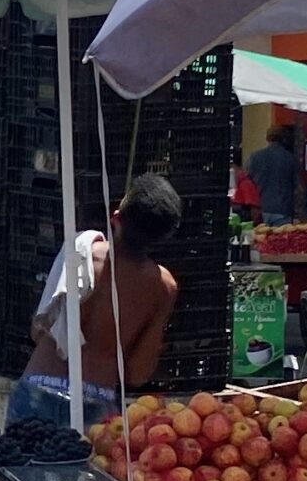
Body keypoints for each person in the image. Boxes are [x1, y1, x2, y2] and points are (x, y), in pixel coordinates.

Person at [10, 174, 185, 428]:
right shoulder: (162, 287)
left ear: (116, 217)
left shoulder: (79, 252)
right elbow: (138, 373)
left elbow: (39, 331)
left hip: (39, 387)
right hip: (96, 403)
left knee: (19, 468)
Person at [247, 124, 303, 225]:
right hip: (283, 209)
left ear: (268, 138)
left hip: (260, 208)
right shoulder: (290, 159)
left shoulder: (255, 157)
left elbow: (248, 181)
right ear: (284, 139)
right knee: (279, 239)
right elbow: (297, 187)